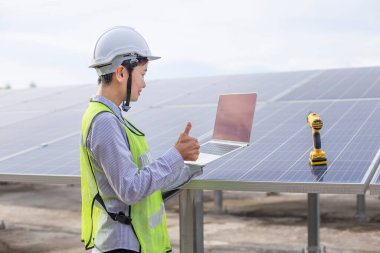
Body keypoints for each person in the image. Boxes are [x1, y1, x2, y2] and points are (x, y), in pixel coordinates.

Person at [80, 26, 201, 253]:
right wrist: (175, 155)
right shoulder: (105, 123)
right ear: (121, 73)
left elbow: (144, 180)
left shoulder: (110, 118)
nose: (144, 83)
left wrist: (191, 166)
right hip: (121, 246)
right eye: (143, 74)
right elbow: (131, 189)